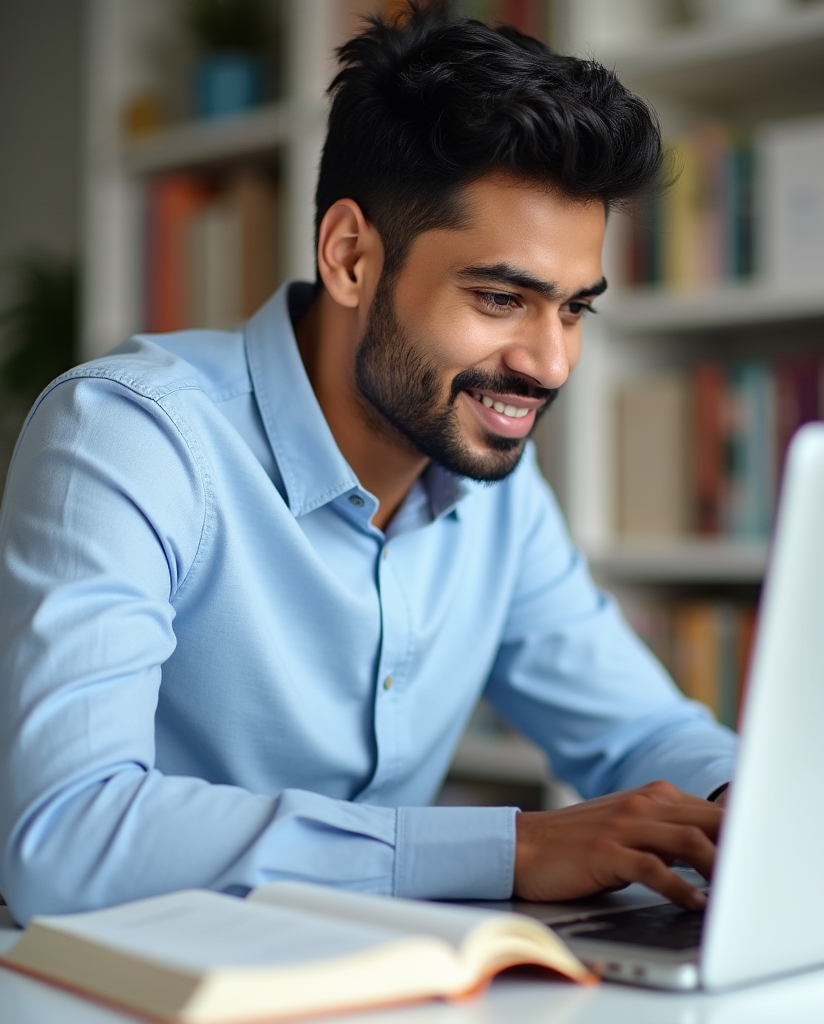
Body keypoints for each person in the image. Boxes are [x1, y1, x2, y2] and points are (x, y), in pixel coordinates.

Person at [0, 3, 735, 925]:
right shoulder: (130, 437)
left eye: (575, 308)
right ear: (351, 257)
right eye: (503, 297)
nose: (550, 363)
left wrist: (737, 805)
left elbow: (640, 730)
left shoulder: (491, 477)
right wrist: (513, 849)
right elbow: (63, 835)